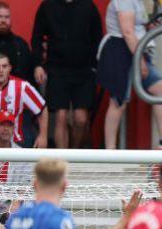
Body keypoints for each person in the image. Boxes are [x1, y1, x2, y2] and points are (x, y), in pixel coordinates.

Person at [97, 0, 162, 149]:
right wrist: (140, 60)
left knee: (159, 87)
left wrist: (149, 28)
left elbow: (134, 28)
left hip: (134, 49)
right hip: (120, 51)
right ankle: (110, 149)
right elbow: (127, 32)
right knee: (118, 101)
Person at [31, 0, 102, 149]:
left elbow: (98, 37)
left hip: (84, 70)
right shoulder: (47, 6)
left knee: (81, 119)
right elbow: (36, 37)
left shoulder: (88, 6)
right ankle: (64, 161)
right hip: (57, 69)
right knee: (60, 117)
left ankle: (74, 153)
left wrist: (95, 66)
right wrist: (38, 65)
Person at [0, 53, 47, 149]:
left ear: (10, 68)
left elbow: (42, 109)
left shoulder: (22, 86)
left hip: (13, 143)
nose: (1, 70)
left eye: (4, 66)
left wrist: (43, 136)